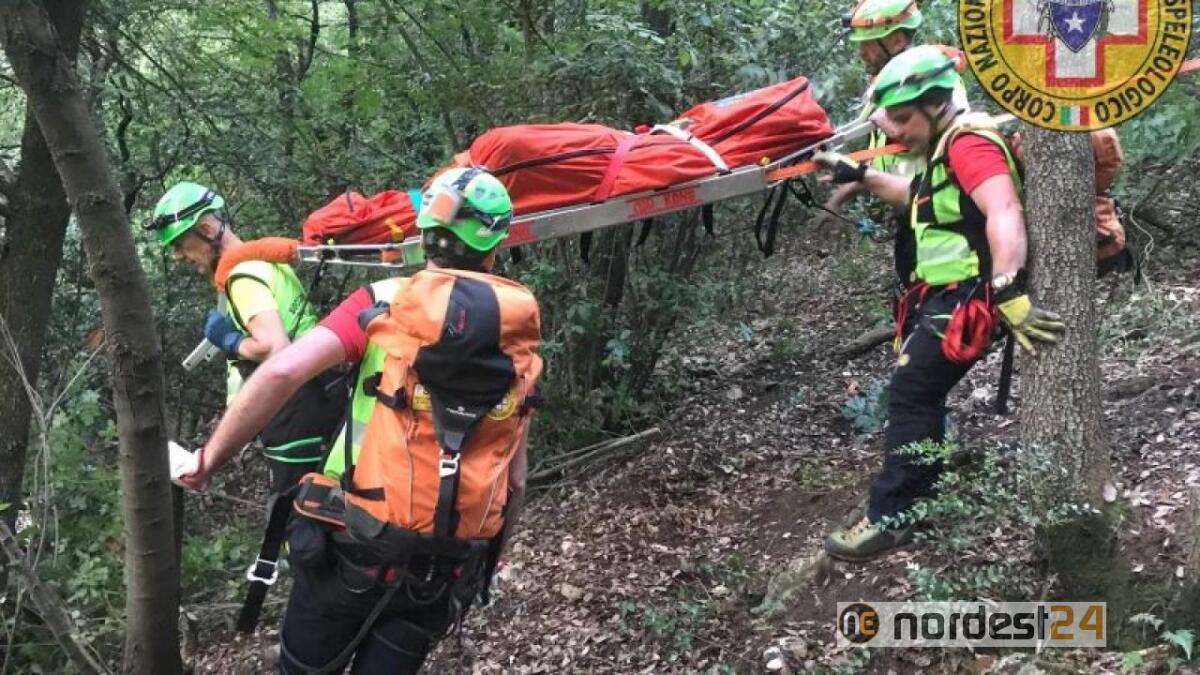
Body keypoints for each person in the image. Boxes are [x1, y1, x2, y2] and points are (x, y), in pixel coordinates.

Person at [178, 167, 543, 674]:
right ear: (497, 241)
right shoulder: (515, 331)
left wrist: (209, 459)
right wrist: (490, 561)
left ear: (422, 230)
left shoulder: (384, 300)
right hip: (444, 563)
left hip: (355, 544)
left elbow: (281, 369)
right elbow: (518, 478)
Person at [813, 46, 1066, 561]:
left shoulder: (970, 143)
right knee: (916, 395)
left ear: (936, 104)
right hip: (945, 295)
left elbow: (1003, 211)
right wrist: (858, 176)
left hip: (969, 297)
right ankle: (919, 494)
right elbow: (921, 197)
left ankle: (893, 518)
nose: (898, 133)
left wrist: (1010, 292)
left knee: (911, 393)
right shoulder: (947, 146)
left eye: (904, 119)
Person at [148, 182, 343, 492]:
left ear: (207, 229)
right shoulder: (265, 262)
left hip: (292, 410)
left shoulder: (242, 278)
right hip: (321, 395)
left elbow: (274, 346)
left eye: (181, 243)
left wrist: (230, 340)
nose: (178, 255)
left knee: (295, 518)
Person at [819, 0, 970, 290]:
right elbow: (881, 165)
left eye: (868, 44)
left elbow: (948, 136)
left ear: (897, 39)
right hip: (911, 219)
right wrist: (838, 199)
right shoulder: (888, 87)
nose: (861, 52)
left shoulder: (935, 81)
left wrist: (889, 123)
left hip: (942, 223)